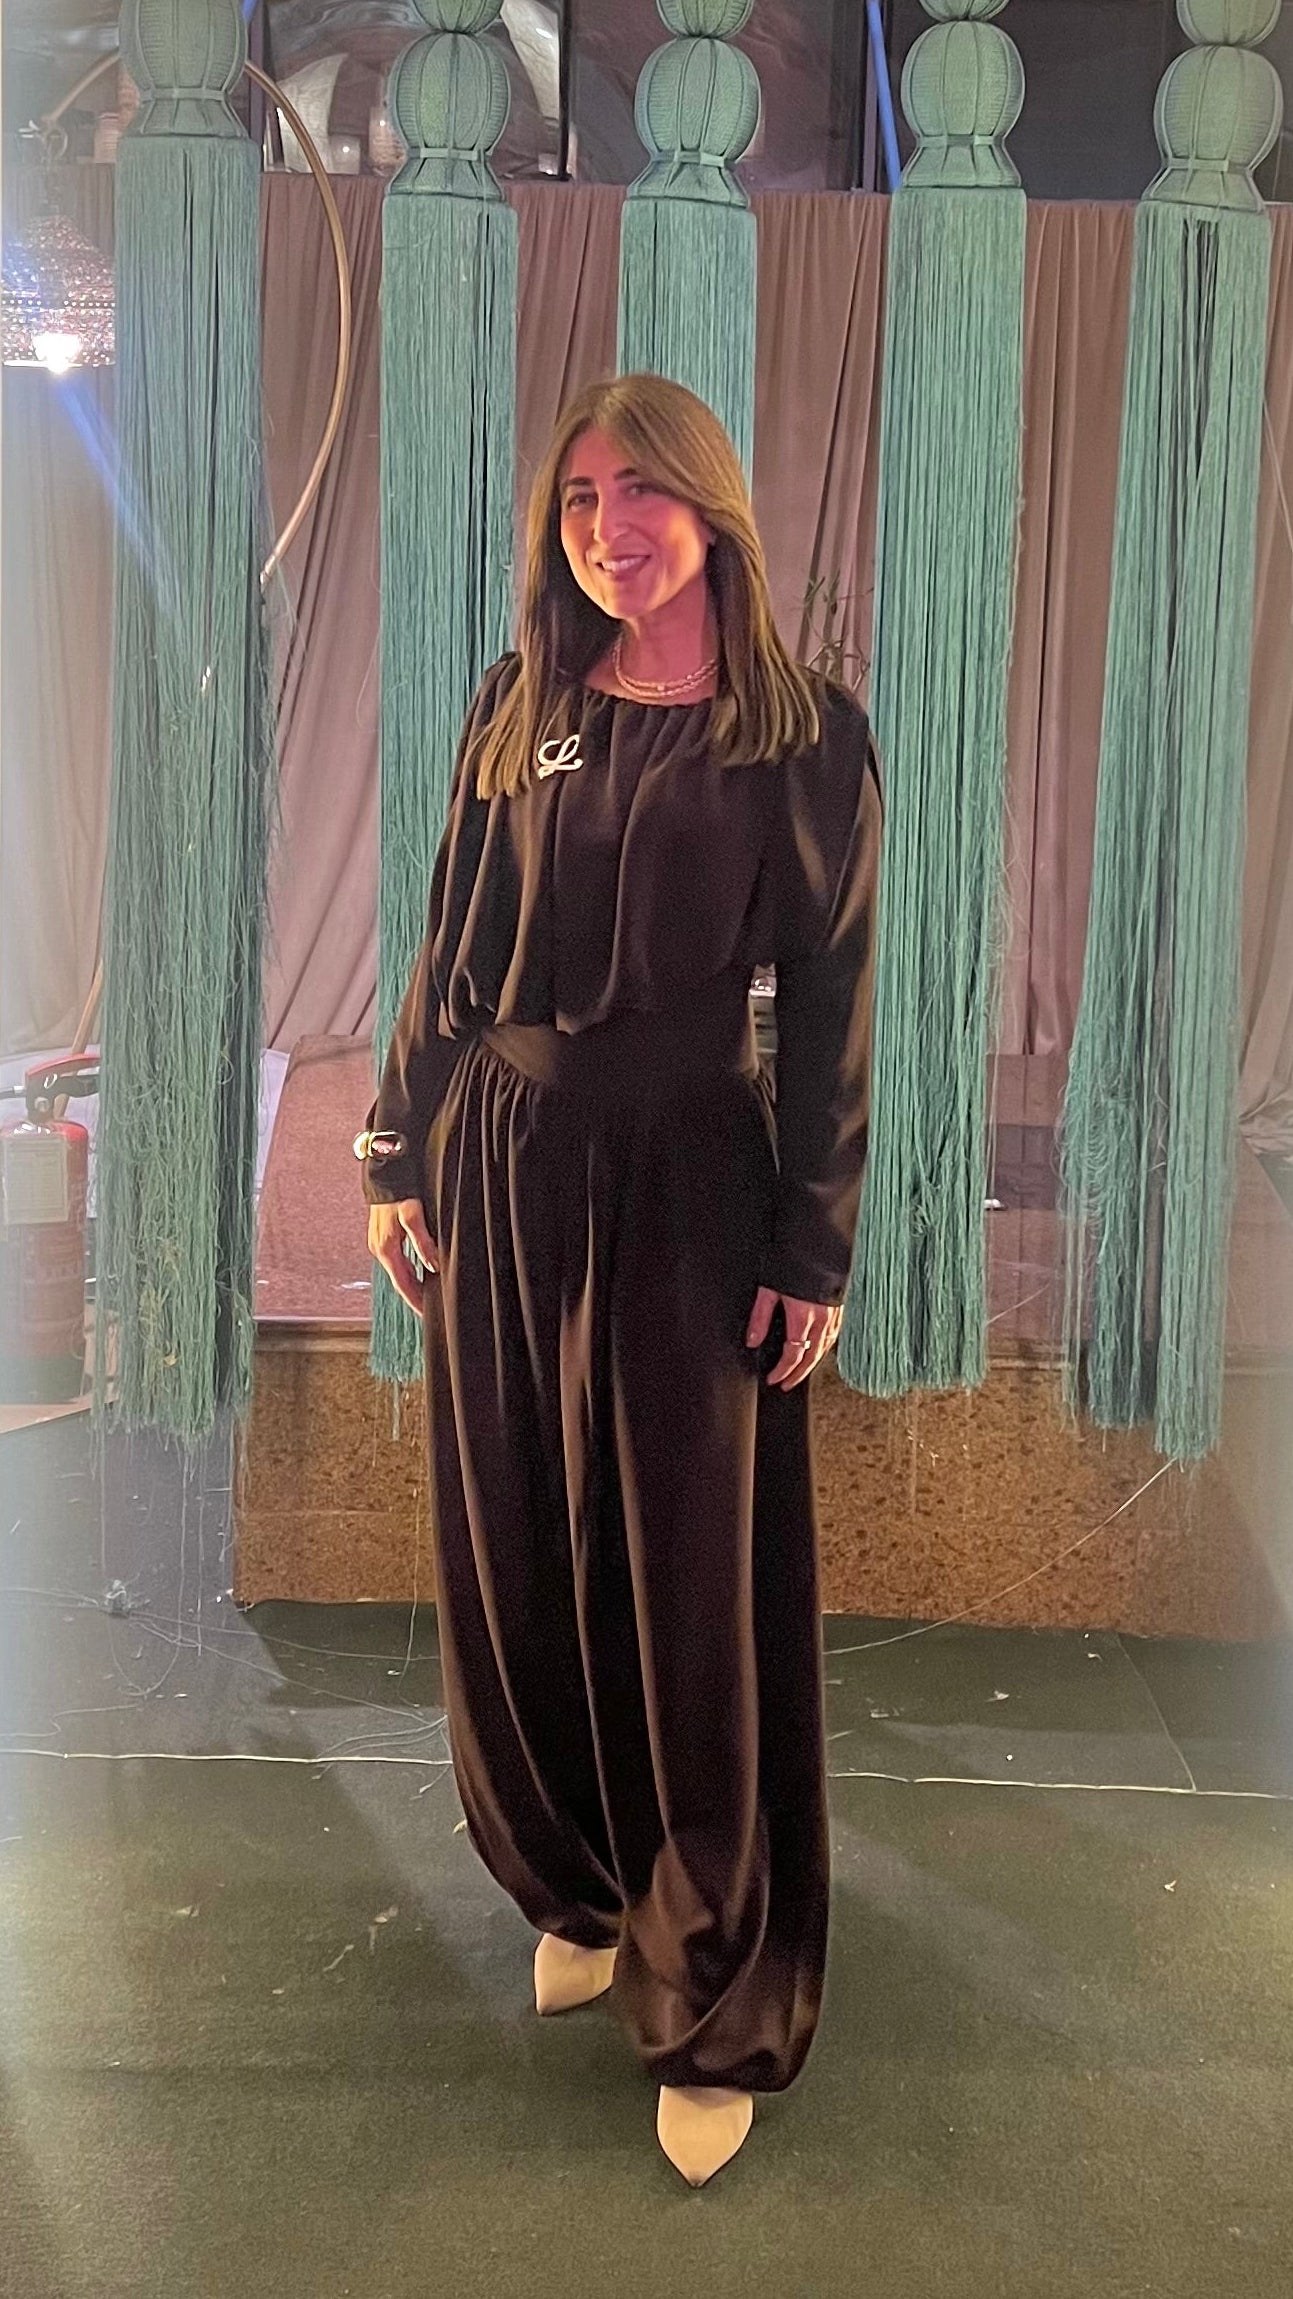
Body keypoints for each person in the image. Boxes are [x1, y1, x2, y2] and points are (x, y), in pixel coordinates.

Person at [359, 372, 881, 2188]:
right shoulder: (523, 704)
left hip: (687, 1183)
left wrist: (811, 1238)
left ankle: (713, 1982)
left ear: (711, 509)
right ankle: (577, 1879)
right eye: (580, 497)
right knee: (515, 1540)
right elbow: (450, 938)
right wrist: (394, 1145)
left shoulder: (802, 737)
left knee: (683, 1582)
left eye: (641, 491)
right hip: (502, 1166)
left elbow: (830, 1006)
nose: (609, 528)